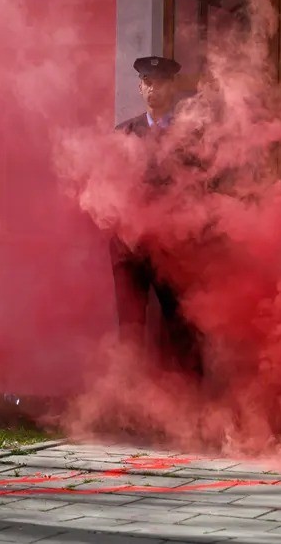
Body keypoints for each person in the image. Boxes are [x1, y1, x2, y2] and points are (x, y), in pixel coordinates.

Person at [110, 56, 203, 377]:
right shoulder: (123, 133)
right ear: (139, 87)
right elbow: (108, 185)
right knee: (130, 327)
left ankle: (191, 406)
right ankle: (131, 405)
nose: (153, 89)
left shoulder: (190, 134)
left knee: (180, 323)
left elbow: (202, 187)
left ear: (173, 86)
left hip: (173, 244)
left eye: (160, 82)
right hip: (129, 246)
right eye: (147, 82)